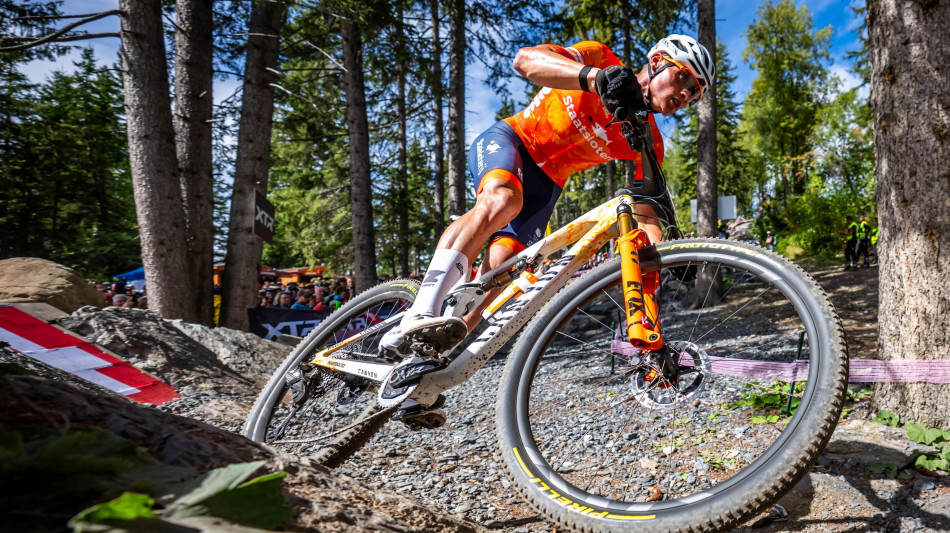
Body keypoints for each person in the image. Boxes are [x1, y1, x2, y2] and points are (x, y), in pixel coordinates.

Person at [380, 35, 714, 371]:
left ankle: (420, 367)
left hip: (547, 183)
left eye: (696, 91)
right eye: (683, 76)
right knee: (501, 200)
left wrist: (666, 257)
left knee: (503, 271)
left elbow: (647, 220)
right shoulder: (600, 58)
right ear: (656, 61)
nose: (687, 93)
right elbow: (525, 61)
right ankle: (420, 311)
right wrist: (595, 79)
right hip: (514, 140)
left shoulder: (649, 139)